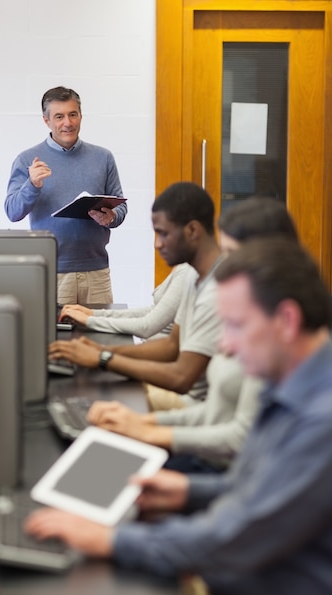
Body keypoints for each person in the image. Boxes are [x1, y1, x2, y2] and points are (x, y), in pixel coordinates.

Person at [25, 238, 332, 595]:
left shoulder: (320, 420)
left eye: (236, 325)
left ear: (286, 321)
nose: (226, 345)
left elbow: (235, 536)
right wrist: (187, 491)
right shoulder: (288, 382)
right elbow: (260, 488)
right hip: (245, 575)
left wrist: (113, 541)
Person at [87, 197, 298, 474]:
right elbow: (213, 412)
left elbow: (238, 439)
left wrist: (150, 433)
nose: (225, 266)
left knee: (111, 472)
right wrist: (145, 425)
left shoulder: (275, 332)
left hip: (221, 468)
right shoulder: (236, 306)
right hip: (209, 453)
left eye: (232, 255)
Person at [49, 181, 224, 411]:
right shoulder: (195, 276)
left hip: (192, 405)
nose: (157, 244)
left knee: (87, 401)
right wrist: (100, 351)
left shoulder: (217, 288)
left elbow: (181, 378)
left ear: (192, 230)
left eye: (163, 234)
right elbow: (171, 346)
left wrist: (102, 358)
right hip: (180, 394)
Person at [4, 86, 127, 305]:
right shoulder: (27, 160)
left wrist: (112, 217)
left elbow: (120, 205)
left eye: (73, 114)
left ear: (81, 116)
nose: (67, 123)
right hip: (53, 274)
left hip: (97, 272)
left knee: (100, 337)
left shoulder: (103, 157)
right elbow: (12, 212)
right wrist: (32, 185)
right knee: (54, 338)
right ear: (46, 120)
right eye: (59, 116)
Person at [59, 263, 191, 340]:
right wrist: (93, 314)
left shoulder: (187, 272)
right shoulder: (183, 267)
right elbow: (154, 311)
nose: (158, 244)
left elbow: (146, 326)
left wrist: (89, 320)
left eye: (165, 233)